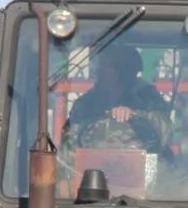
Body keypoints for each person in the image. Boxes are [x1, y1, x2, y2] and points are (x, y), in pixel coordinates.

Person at [58, 49, 174, 192]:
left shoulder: (147, 98)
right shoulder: (87, 103)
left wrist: (134, 115)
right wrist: (65, 189)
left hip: (146, 183)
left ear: (122, 70)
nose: (97, 70)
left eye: (105, 66)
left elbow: (164, 129)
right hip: (93, 183)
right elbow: (69, 143)